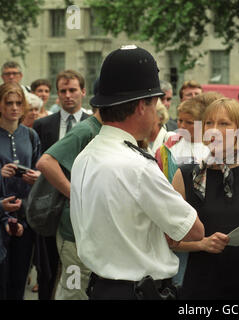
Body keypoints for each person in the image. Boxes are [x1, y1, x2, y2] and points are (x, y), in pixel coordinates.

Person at [70, 45, 204, 300]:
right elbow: (193, 230)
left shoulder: (85, 156)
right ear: (142, 106)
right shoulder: (138, 166)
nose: (157, 114)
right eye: (155, 104)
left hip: (102, 287)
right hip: (137, 290)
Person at [172, 98, 239, 299]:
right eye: (209, 123)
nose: (214, 130)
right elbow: (169, 239)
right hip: (201, 285)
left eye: (224, 123)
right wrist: (201, 244)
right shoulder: (185, 175)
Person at [35, 80, 102, 300]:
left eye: (72, 90)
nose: (67, 95)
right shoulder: (86, 129)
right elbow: (45, 162)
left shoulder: (105, 130)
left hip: (92, 232)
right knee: (73, 290)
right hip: (72, 233)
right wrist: (75, 194)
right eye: (62, 90)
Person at [155, 91, 222, 287]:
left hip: (208, 217)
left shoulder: (213, 149)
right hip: (179, 217)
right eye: (180, 121)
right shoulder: (168, 149)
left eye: (189, 122)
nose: (182, 126)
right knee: (181, 277)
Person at [0, 82, 41, 299]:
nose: (14, 108)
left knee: (19, 280)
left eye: (18, 103)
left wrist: (36, 178)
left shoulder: (31, 136)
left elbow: (40, 173)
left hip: (24, 215)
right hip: (0, 215)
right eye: (9, 103)